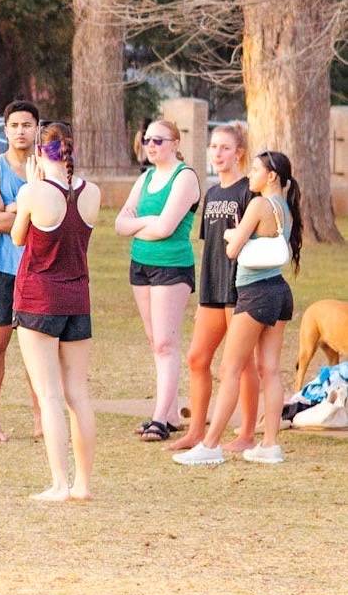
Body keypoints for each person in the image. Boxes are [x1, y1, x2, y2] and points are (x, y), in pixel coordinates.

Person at [175, 150, 304, 467]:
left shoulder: (260, 204)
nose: (252, 174)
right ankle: (270, 444)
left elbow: (232, 249)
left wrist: (234, 234)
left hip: (255, 293)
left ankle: (210, 444)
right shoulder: (284, 208)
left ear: (271, 175)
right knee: (270, 369)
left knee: (229, 370)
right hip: (279, 291)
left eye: (257, 169)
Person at [10, 121, 100, 502]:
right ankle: (82, 484)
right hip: (77, 298)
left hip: (39, 298)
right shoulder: (91, 191)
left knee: (49, 395)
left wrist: (30, 184)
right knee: (78, 394)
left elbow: (17, 236)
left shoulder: (34, 192)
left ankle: (59, 483)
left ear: (39, 154)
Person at [171, 123, 261, 452]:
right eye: (213, 147)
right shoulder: (211, 193)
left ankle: (248, 433)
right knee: (197, 358)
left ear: (238, 153)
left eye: (225, 148)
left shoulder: (248, 191)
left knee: (241, 363)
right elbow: (209, 247)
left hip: (240, 287)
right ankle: (196, 430)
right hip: (212, 287)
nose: (218, 153)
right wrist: (200, 299)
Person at [114, 117, 200, 442]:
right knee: (156, 342)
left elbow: (166, 229)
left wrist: (142, 223)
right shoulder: (146, 177)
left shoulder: (185, 177)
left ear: (176, 143)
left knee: (166, 343)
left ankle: (160, 418)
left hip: (171, 267)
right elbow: (120, 224)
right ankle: (173, 411)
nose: (151, 145)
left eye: (159, 141)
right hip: (141, 266)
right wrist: (149, 221)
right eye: (147, 140)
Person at [0, 99, 40, 444]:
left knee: (38, 348)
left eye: (27, 125)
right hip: (3, 267)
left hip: (40, 269)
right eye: (14, 125)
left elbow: (58, 215)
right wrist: (30, 211)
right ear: (5, 129)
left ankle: (40, 419)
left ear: (37, 129)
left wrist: (16, 208)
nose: (20, 131)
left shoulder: (47, 167)